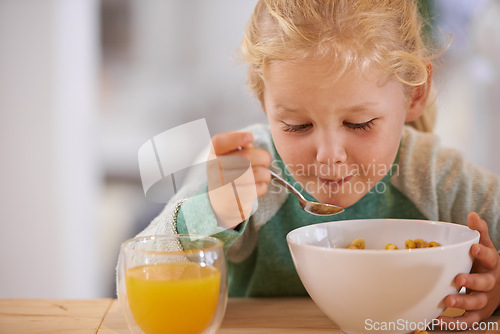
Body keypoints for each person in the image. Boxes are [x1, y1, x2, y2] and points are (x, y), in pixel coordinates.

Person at [138, 0, 500, 327]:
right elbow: (140, 279)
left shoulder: (435, 177)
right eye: (297, 126)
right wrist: (212, 213)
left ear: (415, 93)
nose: (329, 155)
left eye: (359, 124)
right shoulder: (244, 175)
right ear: (264, 100)